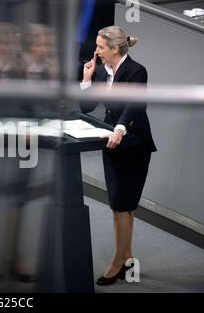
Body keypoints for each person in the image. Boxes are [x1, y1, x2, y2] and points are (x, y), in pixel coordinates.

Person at [79, 26, 157, 286]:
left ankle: (116, 263)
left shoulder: (137, 71)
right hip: (112, 144)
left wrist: (120, 129)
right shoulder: (100, 71)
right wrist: (87, 79)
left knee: (122, 206)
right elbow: (87, 106)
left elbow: (136, 105)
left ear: (115, 48)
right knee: (121, 207)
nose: (97, 52)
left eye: (101, 47)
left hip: (134, 144)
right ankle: (127, 257)